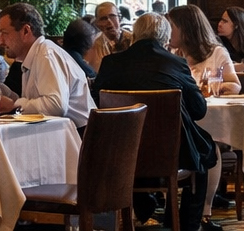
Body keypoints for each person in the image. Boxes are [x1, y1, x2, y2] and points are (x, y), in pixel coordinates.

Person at [92, 13, 219, 231]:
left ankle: (142, 202)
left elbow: (96, 104)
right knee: (203, 152)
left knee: (144, 148)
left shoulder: (110, 63)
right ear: (166, 37)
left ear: (136, 34)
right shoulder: (176, 63)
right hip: (167, 154)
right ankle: (187, 223)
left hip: (118, 153)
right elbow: (199, 110)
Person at [0, 2, 91, 127]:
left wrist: (15, 105)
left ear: (26, 31)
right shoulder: (34, 55)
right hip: (59, 133)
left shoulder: (46, 55)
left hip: (78, 137)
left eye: (4, 33)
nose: (0, 41)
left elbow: (55, 106)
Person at [167, 4, 240, 95]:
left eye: (170, 26)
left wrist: (211, 86)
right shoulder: (172, 55)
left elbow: (236, 86)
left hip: (213, 108)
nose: (167, 31)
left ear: (187, 29)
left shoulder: (217, 53)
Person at [85, 0, 133, 73]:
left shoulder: (133, 39)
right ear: (97, 23)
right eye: (103, 19)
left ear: (119, 18)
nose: (109, 22)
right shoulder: (94, 45)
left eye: (112, 16)